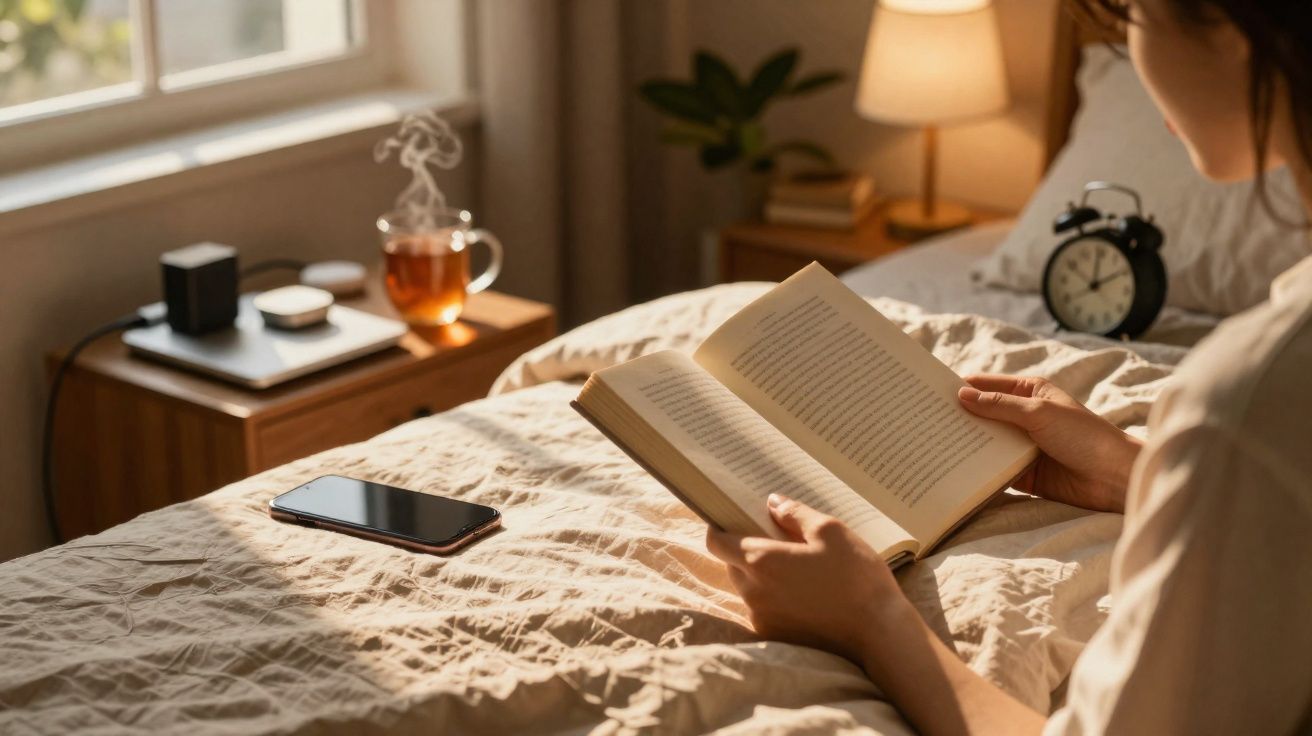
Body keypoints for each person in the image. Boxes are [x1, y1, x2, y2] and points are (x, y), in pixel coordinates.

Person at [705, 0, 1312, 732]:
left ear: (1233, 27)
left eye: (1134, 13)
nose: (1128, 45)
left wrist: (868, 617)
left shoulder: (1252, 396)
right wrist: (1131, 471)